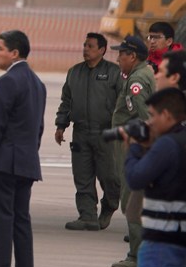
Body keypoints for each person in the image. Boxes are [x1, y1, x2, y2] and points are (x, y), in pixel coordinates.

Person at [0, 30, 47, 267]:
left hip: (2, 165)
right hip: (26, 163)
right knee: (21, 222)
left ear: (14, 54)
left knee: (1, 224)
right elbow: (38, 128)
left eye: (0, 49)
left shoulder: (6, 82)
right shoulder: (37, 83)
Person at [54, 32, 122, 231]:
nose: (86, 49)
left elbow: (122, 103)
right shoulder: (74, 72)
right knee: (82, 176)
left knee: (110, 176)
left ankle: (109, 206)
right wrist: (61, 125)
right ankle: (88, 216)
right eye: (85, 45)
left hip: (106, 133)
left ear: (102, 50)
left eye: (91, 46)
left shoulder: (113, 73)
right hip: (81, 132)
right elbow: (66, 101)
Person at [121, 87, 186, 267]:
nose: (150, 121)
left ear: (166, 115)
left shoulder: (167, 144)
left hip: (162, 241)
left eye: (153, 115)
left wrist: (135, 148)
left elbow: (136, 178)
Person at [111, 36, 157, 267]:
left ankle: (136, 256)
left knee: (131, 201)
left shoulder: (136, 80)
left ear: (133, 56)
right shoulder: (144, 73)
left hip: (135, 148)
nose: (118, 58)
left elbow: (144, 117)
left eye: (121, 54)